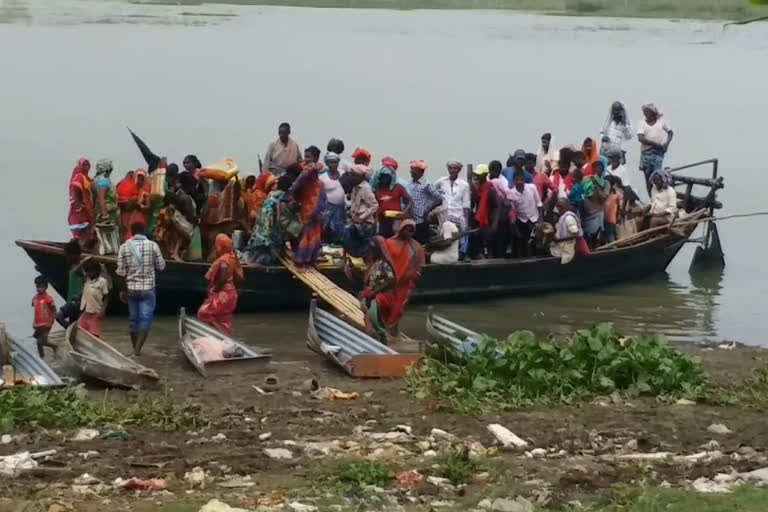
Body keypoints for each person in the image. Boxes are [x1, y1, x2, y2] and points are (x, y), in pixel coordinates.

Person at [116, 222, 166, 356]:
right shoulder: (153, 245)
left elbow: (120, 272)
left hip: (131, 288)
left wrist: (122, 290)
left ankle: (134, 349)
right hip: (148, 288)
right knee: (145, 319)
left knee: (133, 319)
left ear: (132, 232)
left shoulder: (124, 247)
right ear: (144, 230)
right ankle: (137, 351)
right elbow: (161, 266)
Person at [376, 220, 425, 336]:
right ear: (401, 229)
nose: (408, 232)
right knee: (384, 304)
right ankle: (384, 330)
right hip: (389, 280)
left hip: (405, 282)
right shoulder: (389, 242)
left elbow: (420, 265)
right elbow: (382, 260)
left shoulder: (416, 246)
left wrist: (415, 274)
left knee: (398, 309)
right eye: (406, 229)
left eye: (411, 230)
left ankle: (392, 332)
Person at [198, 233, 243, 335]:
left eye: (217, 245)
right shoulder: (232, 257)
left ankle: (218, 334)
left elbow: (223, 277)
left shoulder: (224, 260)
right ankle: (224, 336)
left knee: (204, 313)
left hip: (224, 293)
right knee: (222, 318)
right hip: (232, 292)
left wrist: (214, 290)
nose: (216, 247)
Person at [244, 175, 292, 265]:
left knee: (258, 253)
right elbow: (284, 220)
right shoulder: (283, 198)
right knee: (269, 256)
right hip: (271, 233)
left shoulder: (271, 195)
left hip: (260, 231)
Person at [287, 162, 327, 266]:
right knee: (305, 235)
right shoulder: (302, 183)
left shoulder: (321, 184)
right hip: (305, 213)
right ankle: (301, 258)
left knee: (315, 237)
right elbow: (292, 192)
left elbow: (323, 200)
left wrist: (321, 213)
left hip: (316, 215)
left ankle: (311, 258)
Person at [361, 236, 397, 343]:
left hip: (382, 297)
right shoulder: (373, 264)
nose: (371, 252)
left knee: (373, 320)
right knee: (372, 320)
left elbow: (391, 280)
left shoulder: (384, 264)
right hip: (373, 297)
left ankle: (381, 341)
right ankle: (381, 341)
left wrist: (375, 292)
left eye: (373, 249)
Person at [434, 161, 471, 258]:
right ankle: (446, 256)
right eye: (451, 168)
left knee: (457, 238)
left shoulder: (464, 184)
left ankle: (459, 256)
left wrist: (466, 221)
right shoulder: (442, 181)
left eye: (455, 168)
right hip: (444, 214)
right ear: (448, 169)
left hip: (458, 215)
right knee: (445, 238)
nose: (452, 170)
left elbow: (466, 204)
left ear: (459, 170)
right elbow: (432, 191)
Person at [637, 103, 674, 195]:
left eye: (647, 111)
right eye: (644, 112)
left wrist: (666, 144)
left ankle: (659, 196)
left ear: (653, 112)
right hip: (646, 153)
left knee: (657, 176)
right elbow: (640, 138)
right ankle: (652, 198)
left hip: (658, 153)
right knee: (648, 177)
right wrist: (655, 144)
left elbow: (670, 132)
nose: (645, 113)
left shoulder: (661, 121)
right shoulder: (642, 123)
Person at [344, 165, 379, 258]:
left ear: (361, 176)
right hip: (355, 220)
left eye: (354, 175)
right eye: (352, 175)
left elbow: (374, 205)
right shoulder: (355, 187)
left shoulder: (366, 188)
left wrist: (361, 217)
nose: (352, 177)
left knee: (363, 246)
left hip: (365, 222)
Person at [508, 169, 544, 257]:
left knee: (535, 243)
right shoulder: (512, 193)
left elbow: (539, 204)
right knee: (523, 242)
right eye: (517, 180)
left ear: (524, 180)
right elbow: (512, 210)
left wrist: (540, 220)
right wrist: (512, 221)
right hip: (522, 220)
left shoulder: (532, 187)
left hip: (534, 218)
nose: (519, 182)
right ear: (514, 180)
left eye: (521, 180)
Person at [406, 160, 443, 245]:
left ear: (419, 171)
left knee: (421, 243)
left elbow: (438, 198)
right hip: (411, 219)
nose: (410, 171)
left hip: (421, 220)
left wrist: (429, 208)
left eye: (413, 169)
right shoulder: (411, 183)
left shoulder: (427, 184)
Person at [471, 164, 502, 258]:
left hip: (488, 221)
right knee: (479, 246)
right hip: (479, 221)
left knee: (489, 246)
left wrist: (495, 223)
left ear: (484, 175)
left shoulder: (490, 190)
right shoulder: (479, 189)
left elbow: (497, 206)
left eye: (479, 175)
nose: (477, 176)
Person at [373, 166, 413, 237]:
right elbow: (374, 205)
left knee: (395, 238)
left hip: (395, 219)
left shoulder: (397, 187)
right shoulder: (377, 189)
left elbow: (409, 201)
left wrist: (404, 212)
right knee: (382, 239)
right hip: (382, 220)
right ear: (380, 177)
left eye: (387, 176)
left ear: (391, 177)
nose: (385, 179)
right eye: (383, 176)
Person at [581, 157, 611, 248]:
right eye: (594, 169)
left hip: (597, 213)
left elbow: (603, 197)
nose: (596, 171)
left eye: (599, 169)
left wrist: (596, 185)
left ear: (602, 171)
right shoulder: (587, 180)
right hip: (586, 214)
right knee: (585, 236)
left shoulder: (606, 183)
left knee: (596, 236)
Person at [56, 240, 85, 328]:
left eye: (67, 255)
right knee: (74, 323)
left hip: (76, 302)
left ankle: (70, 330)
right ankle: (71, 331)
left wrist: (79, 296)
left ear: (74, 254)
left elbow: (87, 283)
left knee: (59, 316)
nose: (66, 257)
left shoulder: (81, 267)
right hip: (72, 300)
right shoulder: (73, 266)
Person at [117, 169, 151, 241]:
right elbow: (120, 202)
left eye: (142, 179)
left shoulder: (145, 191)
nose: (140, 181)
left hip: (139, 216)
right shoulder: (126, 187)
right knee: (126, 233)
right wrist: (131, 202)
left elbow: (148, 206)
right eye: (138, 178)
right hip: (127, 214)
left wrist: (141, 206)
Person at [68, 157, 95, 250]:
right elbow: (75, 191)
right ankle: (77, 250)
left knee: (87, 231)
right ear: (80, 166)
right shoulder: (78, 176)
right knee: (80, 232)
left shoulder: (87, 178)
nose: (87, 167)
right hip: (80, 209)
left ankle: (80, 249)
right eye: (84, 165)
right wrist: (78, 205)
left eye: (88, 165)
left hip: (86, 208)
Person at [78, 259, 109, 338]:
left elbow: (106, 296)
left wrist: (103, 310)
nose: (89, 273)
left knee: (94, 336)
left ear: (96, 270)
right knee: (80, 333)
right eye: (87, 271)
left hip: (95, 312)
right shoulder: (86, 279)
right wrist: (86, 259)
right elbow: (76, 270)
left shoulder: (102, 281)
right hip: (85, 312)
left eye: (90, 271)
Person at [320, 152, 347, 243]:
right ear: (327, 163)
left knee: (340, 232)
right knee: (326, 230)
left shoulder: (344, 175)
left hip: (342, 209)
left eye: (335, 162)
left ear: (338, 163)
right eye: (330, 162)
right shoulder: (322, 178)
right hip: (328, 209)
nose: (333, 165)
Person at [549, 197, 583, 264]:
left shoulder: (568, 218)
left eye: (561, 206)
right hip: (560, 247)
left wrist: (559, 240)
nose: (558, 208)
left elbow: (577, 235)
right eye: (557, 206)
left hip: (567, 250)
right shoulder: (561, 217)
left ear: (566, 206)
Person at [31, 276, 57, 358]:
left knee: (39, 342)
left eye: (41, 286)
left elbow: (54, 309)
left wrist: (53, 319)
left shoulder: (48, 298)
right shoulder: (35, 297)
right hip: (37, 323)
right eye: (37, 286)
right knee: (42, 340)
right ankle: (54, 347)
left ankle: (42, 357)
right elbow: (34, 307)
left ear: (46, 287)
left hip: (46, 324)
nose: (39, 288)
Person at [93, 159, 119, 227]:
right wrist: (105, 216)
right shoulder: (103, 180)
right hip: (107, 214)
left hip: (102, 212)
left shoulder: (97, 179)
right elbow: (101, 198)